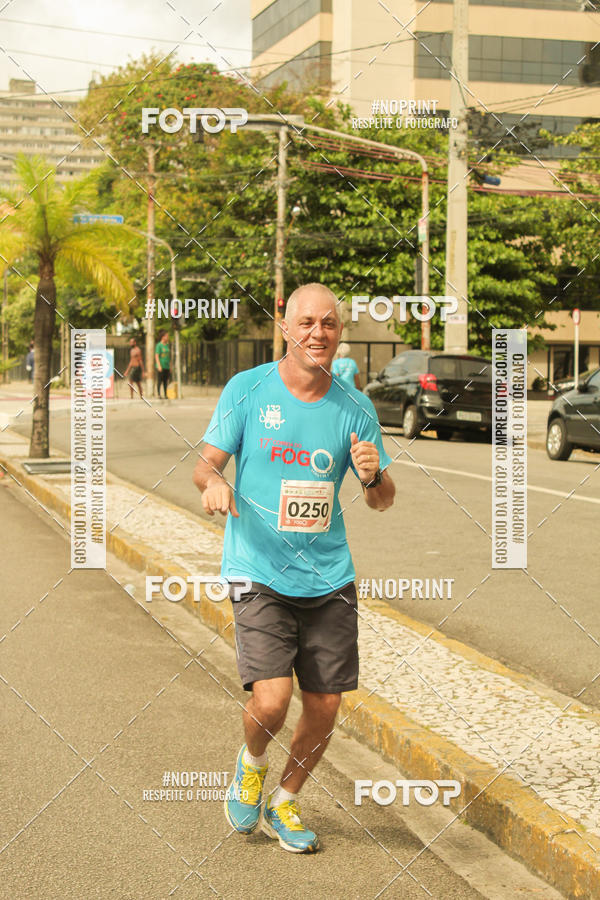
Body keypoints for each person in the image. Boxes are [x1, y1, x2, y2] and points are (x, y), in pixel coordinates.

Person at [193, 283, 395, 854]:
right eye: (306, 322)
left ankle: (285, 798)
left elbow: (381, 500)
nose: (317, 333)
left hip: (329, 574)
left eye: (329, 324)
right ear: (286, 327)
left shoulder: (355, 408)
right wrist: (213, 485)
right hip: (256, 568)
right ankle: (252, 765)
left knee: (326, 703)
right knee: (273, 700)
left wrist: (373, 474)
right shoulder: (249, 389)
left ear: (339, 333)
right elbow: (205, 465)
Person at [155, 331, 171, 399]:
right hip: (161, 366)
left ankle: (165, 394)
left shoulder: (167, 345)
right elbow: (157, 356)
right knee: (160, 380)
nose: (168, 337)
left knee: (165, 381)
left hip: (166, 366)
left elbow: (169, 356)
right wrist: (159, 365)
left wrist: (170, 366)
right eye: (166, 336)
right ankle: (158, 394)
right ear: (163, 337)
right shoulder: (159, 345)